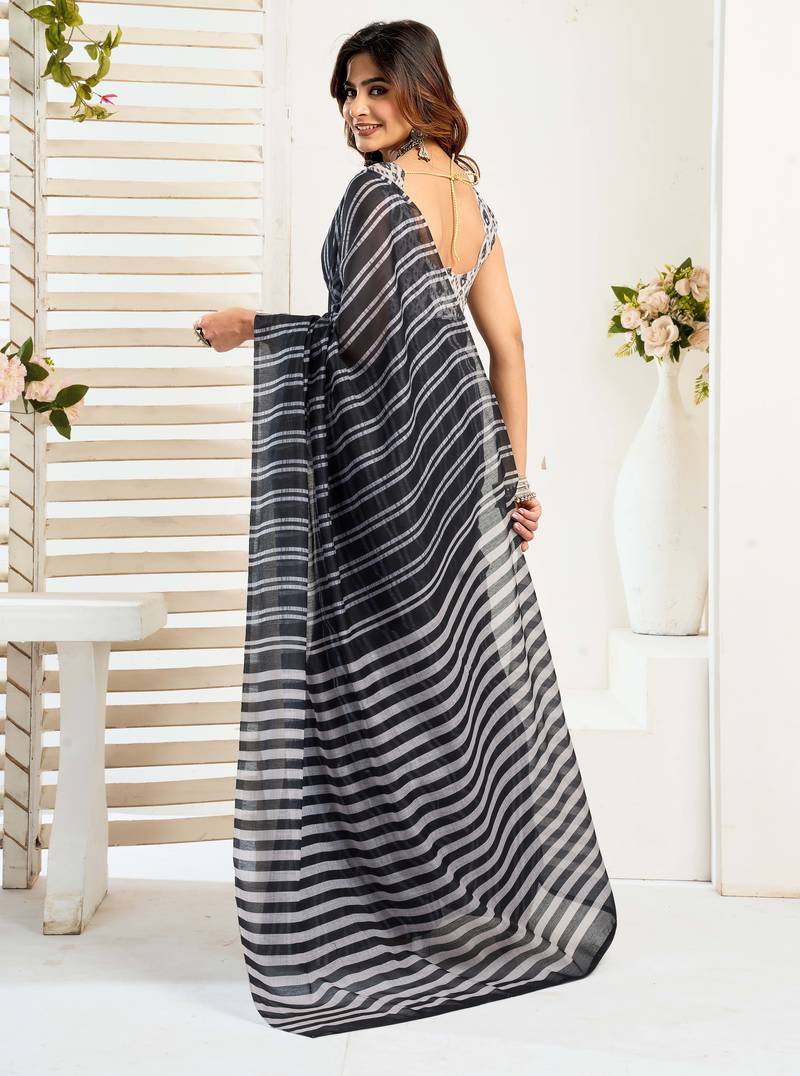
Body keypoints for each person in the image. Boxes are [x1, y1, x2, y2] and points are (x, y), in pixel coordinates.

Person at [195, 19, 617, 1039]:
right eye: (347, 92)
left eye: (377, 87)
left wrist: (256, 326)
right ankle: (451, 893)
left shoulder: (379, 197)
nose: (357, 110)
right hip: (460, 455)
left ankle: (378, 903)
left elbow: (362, 346)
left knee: (366, 673)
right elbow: (507, 347)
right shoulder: (472, 198)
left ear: (422, 88)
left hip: (397, 461)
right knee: (447, 676)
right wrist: (509, 472)